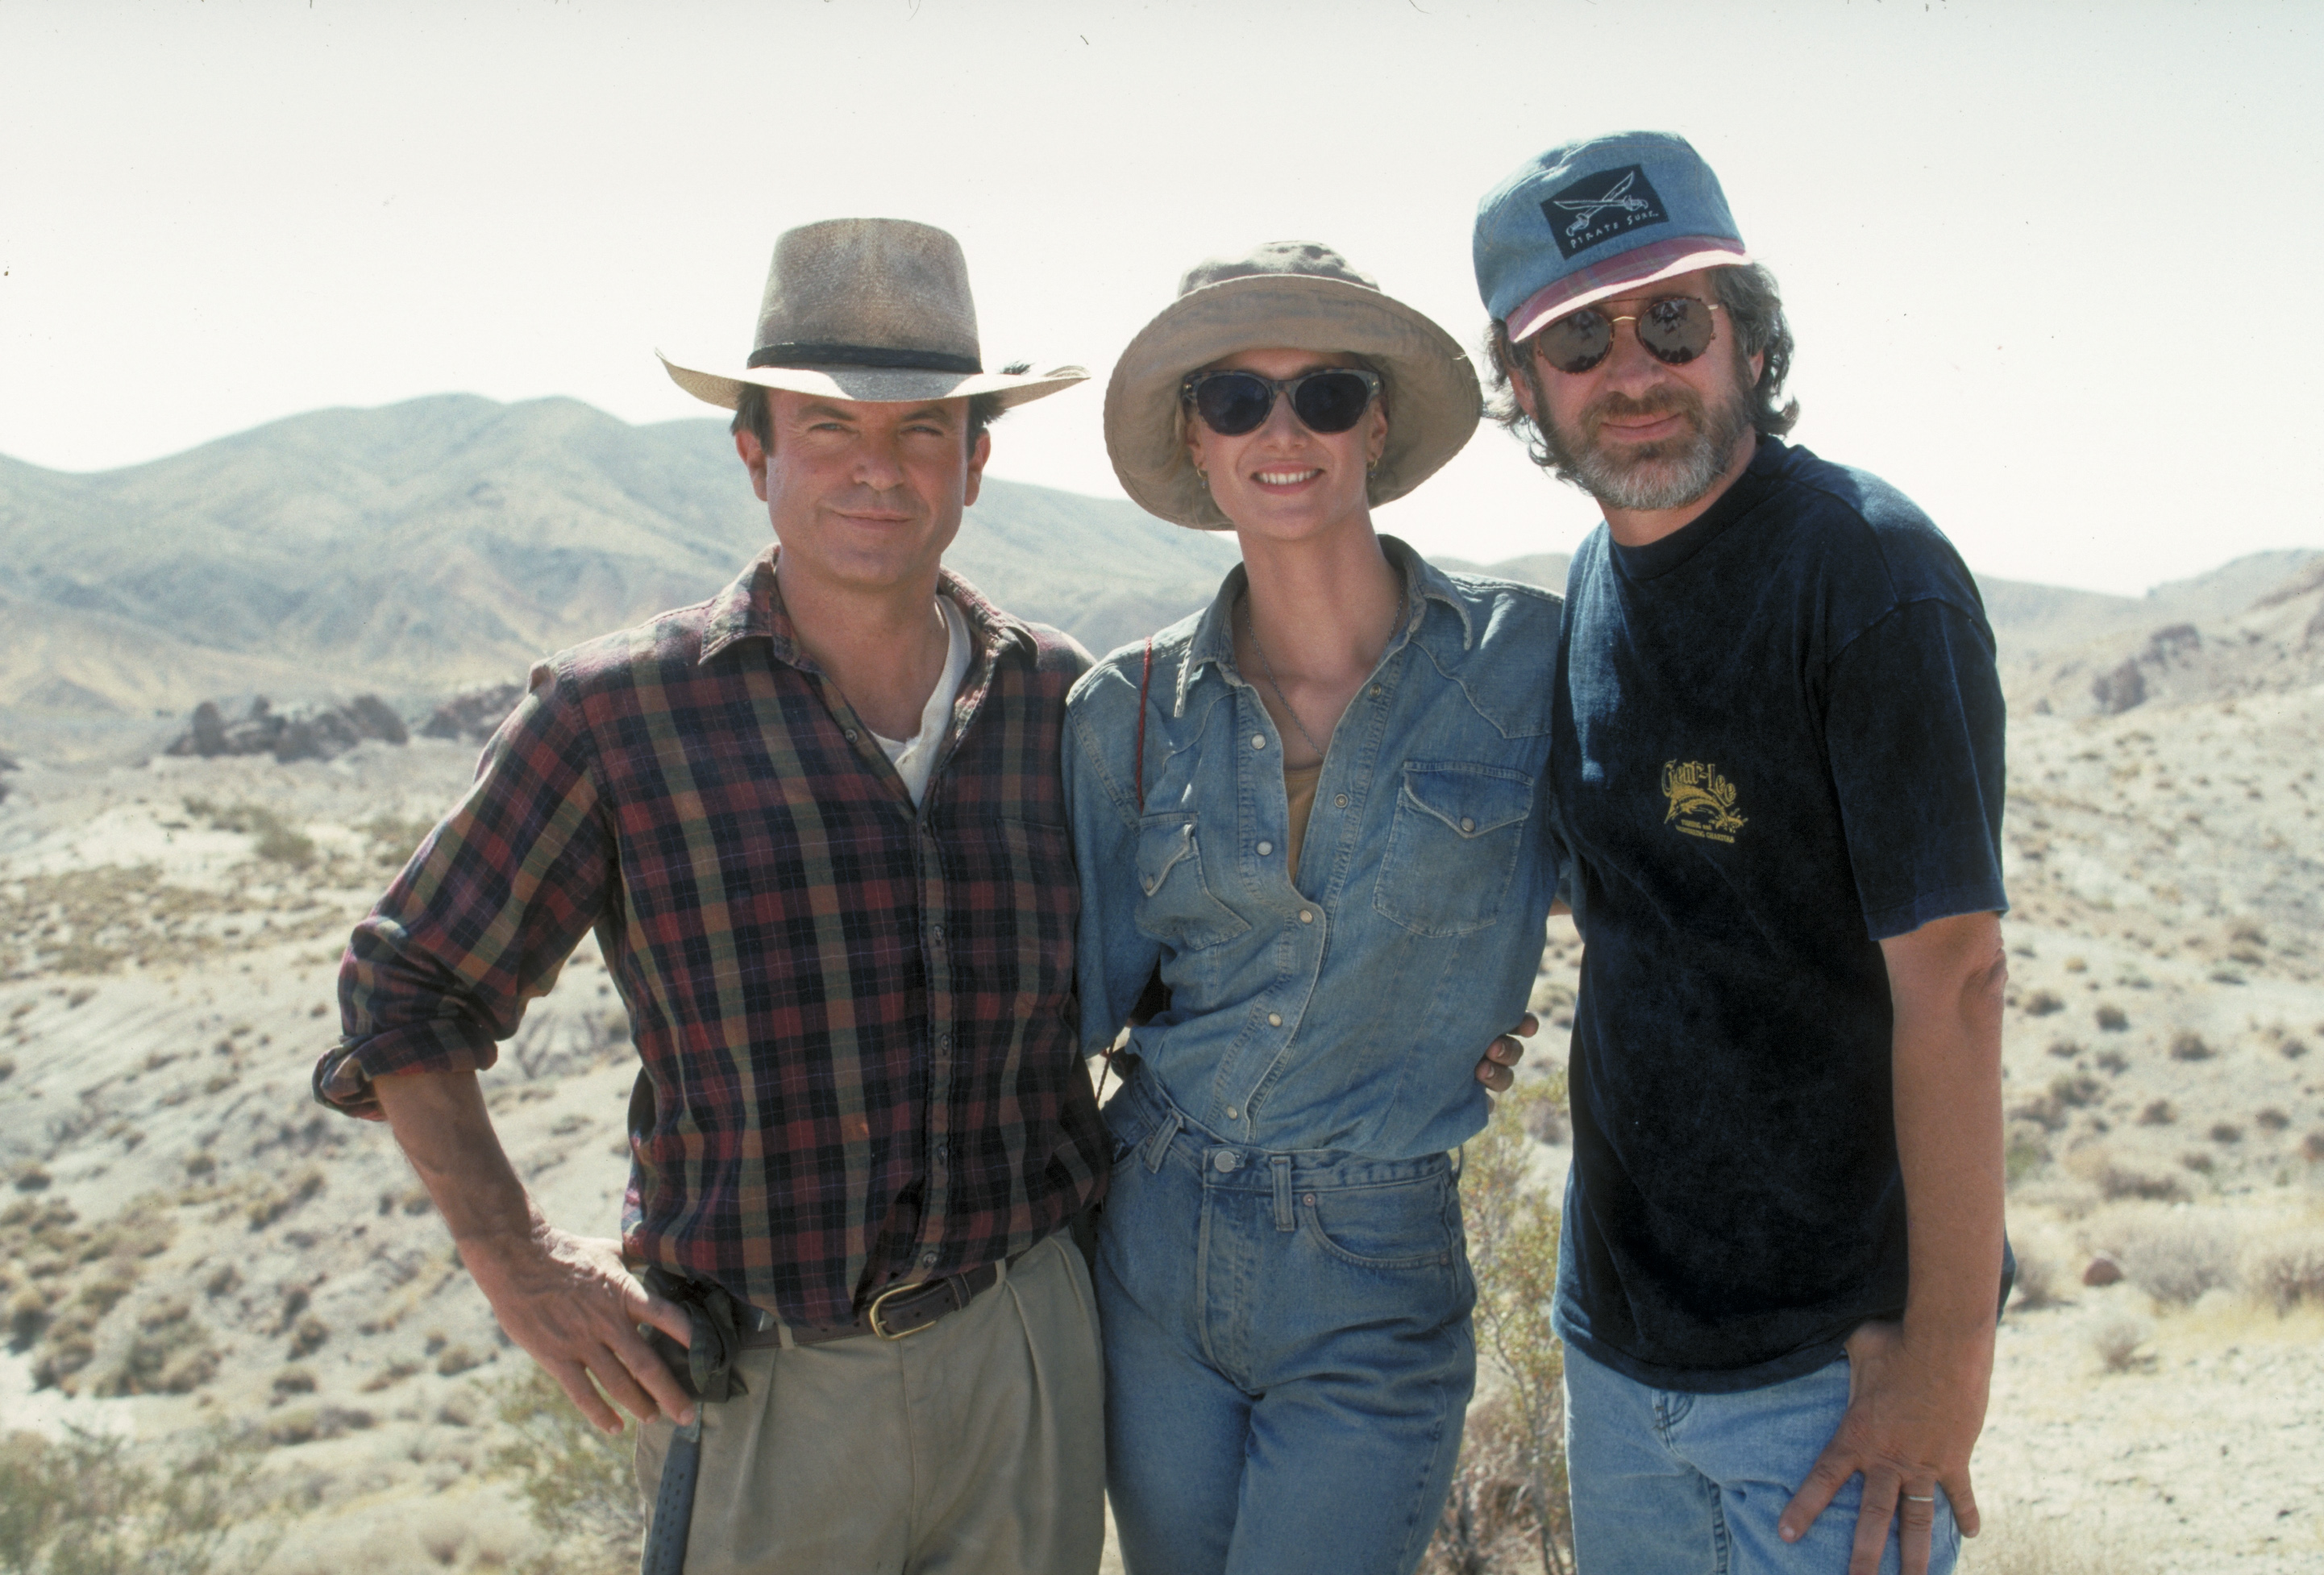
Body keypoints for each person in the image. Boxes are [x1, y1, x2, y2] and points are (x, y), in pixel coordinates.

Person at [311, 218, 1115, 1575]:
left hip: (1025, 1350)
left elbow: (1194, 962)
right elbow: (407, 989)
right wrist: (520, 1264)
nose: (879, 466)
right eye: (826, 428)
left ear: (977, 462)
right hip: (763, 1391)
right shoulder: (620, 712)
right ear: (755, 455)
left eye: (924, 429)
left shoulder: (1060, 698)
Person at [1470, 132, 2012, 1575]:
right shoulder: (1596, 577)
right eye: (1577, 339)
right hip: (1619, 1345)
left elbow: (1955, 983)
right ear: (1521, 388)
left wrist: (1950, 1354)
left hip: (1827, 1376)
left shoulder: (1867, 576)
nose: (1633, 369)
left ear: (1748, 336)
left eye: (1673, 319)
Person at [1064, 242, 1565, 1575]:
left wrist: (1483, 1015)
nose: (1282, 431)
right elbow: (1073, 1007)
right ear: (1197, 439)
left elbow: (1667, 907)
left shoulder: (1528, 664)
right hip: (1152, 1233)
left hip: (1374, 1256)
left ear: (1377, 422)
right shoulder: (1120, 713)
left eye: (1325, 394)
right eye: (1235, 399)